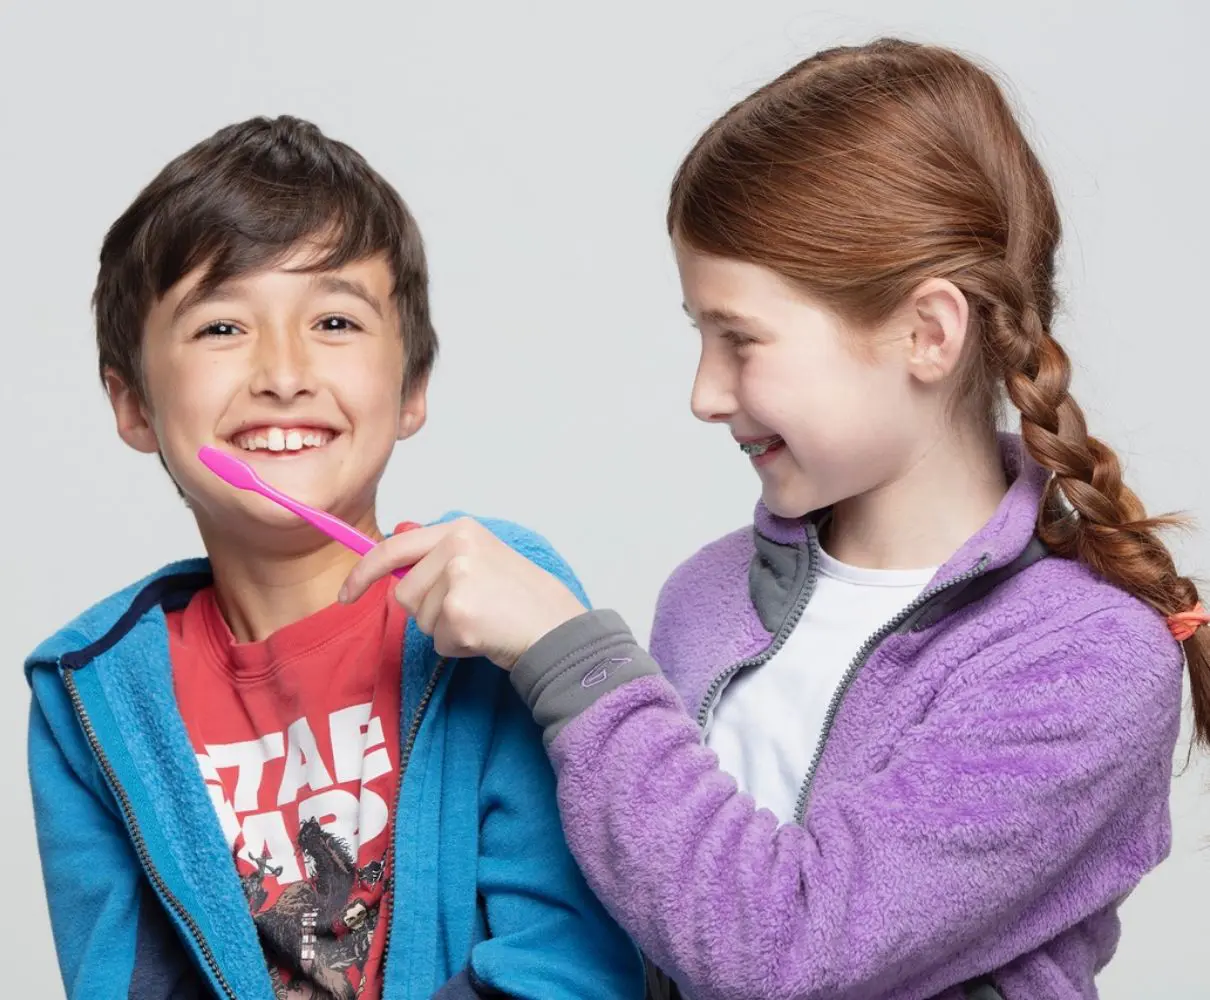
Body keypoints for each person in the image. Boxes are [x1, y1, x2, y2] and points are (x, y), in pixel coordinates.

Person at [339, 39, 1210, 999]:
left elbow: (788, 950)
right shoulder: (708, 595)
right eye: (698, 335)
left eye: (740, 339)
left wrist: (568, 659)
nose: (705, 393)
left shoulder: (1086, 660)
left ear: (928, 332)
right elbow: (642, 932)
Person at [25, 115, 643, 1000]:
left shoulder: (498, 599)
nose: (283, 371)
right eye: (220, 328)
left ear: (412, 388)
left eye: (335, 320)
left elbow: (570, 962)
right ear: (131, 406)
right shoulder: (93, 688)